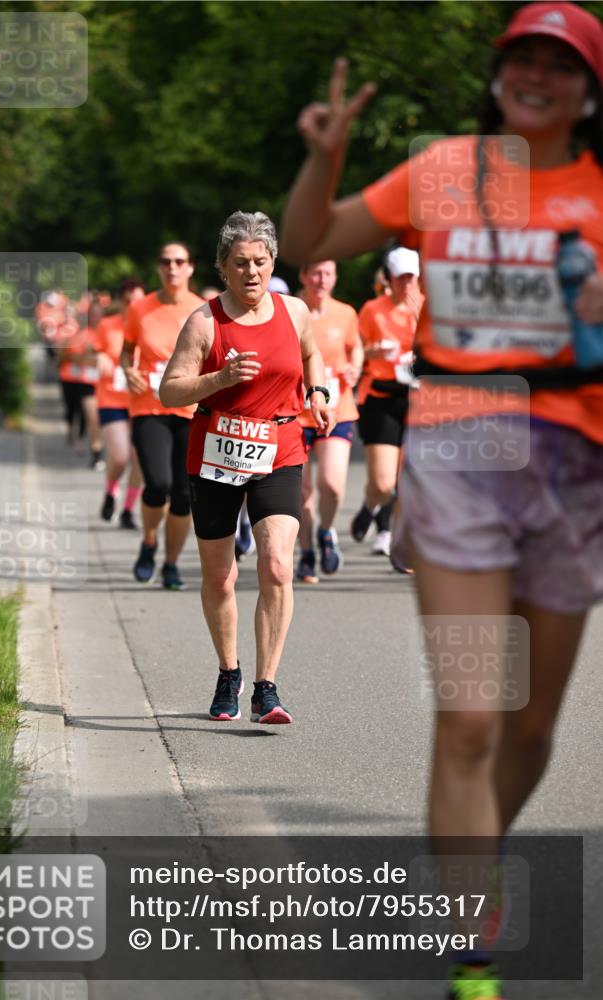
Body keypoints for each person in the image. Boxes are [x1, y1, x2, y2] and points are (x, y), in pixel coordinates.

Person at [281, 3, 603, 997]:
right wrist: (325, 160)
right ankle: (473, 958)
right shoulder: (449, 171)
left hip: (576, 464)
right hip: (460, 443)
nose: (537, 75)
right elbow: (308, 237)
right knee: (470, 718)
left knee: (530, 728)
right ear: (498, 74)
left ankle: (474, 848)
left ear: (589, 92)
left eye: (560, 63)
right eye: (522, 58)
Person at [160, 210, 334, 724]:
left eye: (260, 261)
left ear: (273, 262)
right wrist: (220, 377)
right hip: (215, 451)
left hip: (279, 448)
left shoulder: (294, 311)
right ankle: (228, 672)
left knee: (278, 564)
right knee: (220, 578)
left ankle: (266, 688)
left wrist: (318, 392)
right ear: (223, 267)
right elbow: (170, 391)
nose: (252, 271)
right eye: (240, 263)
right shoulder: (204, 322)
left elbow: (312, 354)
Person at [120, 243, 203, 589]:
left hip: (190, 409)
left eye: (179, 261)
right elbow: (127, 350)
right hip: (149, 406)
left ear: (190, 267)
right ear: (158, 267)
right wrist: (128, 371)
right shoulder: (140, 308)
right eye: (166, 261)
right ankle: (149, 540)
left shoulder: (203, 310)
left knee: (183, 494)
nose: (172, 267)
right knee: (158, 483)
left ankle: (170, 564)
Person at [351, 247, 423, 557]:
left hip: (418, 398)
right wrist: (372, 352)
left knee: (409, 480)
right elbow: (353, 351)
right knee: (383, 484)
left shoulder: (427, 309)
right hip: (380, 397)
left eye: (411, 278)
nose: (406, 285)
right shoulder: (372, 310)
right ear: (389, 279)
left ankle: (397, 542)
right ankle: (371, 505)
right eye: (400, 278)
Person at [296, 259, 363, 583]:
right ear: (304, 275)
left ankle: (325, 531)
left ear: (335, 278)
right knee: (302, 492)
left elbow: (356, 347)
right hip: (296, 413)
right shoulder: (291, 310)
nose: (321, 280)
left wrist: (355, 368)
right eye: (315, 273)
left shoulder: (346, 313)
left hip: (337, 408)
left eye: (327, 274)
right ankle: (306, 552)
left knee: (332, 486)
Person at [93, 278, 146, 529]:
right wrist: (100, 356)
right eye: (128, 302)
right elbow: (88, 351)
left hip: (142, 400)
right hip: (111, 399)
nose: (133, 306)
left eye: (139, 302)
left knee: (140, 457)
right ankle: (111, 490)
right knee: (121, 456)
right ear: (120, 302)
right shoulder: (107, 325)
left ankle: (127, 510)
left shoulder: (150, 326)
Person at [55, 308, 105, 467]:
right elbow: (62, 354)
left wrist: (86, 357)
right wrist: (78, 356)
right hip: (69, 378)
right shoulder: (74, 332)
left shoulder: (104, 332)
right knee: (72, 408)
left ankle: (88, 444)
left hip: (90, 381)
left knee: (89, 414)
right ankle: (72, 431)